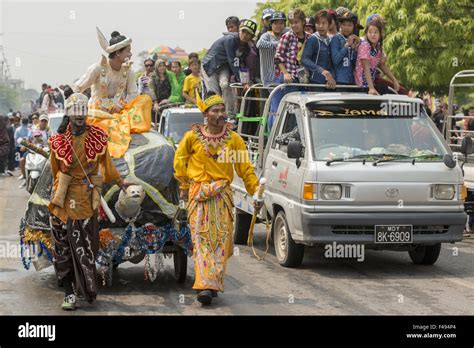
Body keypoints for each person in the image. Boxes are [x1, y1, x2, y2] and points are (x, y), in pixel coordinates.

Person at [174, 92, 262, 305]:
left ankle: (212, 282)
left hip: (222, 198)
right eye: (216, 110)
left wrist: (256, 192)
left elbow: (245, 170)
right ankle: (205, 285)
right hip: (199, 197)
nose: (221, 114)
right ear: (206, 114)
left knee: (221, 241)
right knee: (202, 240)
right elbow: (180, 163)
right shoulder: (192, 137)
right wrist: (184, 187)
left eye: (223, 110)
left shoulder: (234, 140)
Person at [48, 93, 128, 310]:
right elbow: (55, 172)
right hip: (63, 201)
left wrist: (122, 183)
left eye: (82, 111)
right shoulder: (57, 141)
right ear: (69, 114)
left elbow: (108, 166)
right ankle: (68, 294)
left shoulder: (98, 137)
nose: (79, 116)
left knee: (88, 246)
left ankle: (84, 288)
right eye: (75, 112)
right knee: (63, 248)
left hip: (87, 199)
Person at [72, 29, 152, 158]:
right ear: (118, 52)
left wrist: (120, 105)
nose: (131, 54)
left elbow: (133, 94)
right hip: (97, 111)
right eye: (128, 51)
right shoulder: (97, 68)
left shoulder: (129, 72)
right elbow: (78, 88)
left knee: (145, 99)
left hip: (118, 111)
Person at [201, 19, 258, 115]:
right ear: (239, 30)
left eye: (248, 33)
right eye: (243, 31)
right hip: (210, 65)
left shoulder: (246, 49)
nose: (245, 35)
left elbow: (241, 65)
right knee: (214, 93)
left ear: (251, 36)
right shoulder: (230, 39)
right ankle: (213, 117)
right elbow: (233, 61)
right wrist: (243, 82)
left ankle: (228, 114)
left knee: (225, 85)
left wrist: (246, 81)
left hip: (224, 66)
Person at [271, 9, 310, 130]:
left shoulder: (310, 38)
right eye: (291, 22)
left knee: (301, 108)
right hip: (289, 77)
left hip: (303, 78)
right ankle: (280, 136)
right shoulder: (287, 36)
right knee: (286, 109)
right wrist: (285, 73)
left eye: (296, 22)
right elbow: (277, 58)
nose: (294, 25)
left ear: (303, 22)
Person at [354, 19, 399, 95]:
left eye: (376, 32)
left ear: (381, 34)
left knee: (392, 92)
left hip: (371, 84)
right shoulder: (364, 45)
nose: (372, 35)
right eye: (370, 32)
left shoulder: (378, 47)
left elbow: (382, 65)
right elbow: (366, 67)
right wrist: (371, 88)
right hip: (362, 86)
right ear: (366, 33)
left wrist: (394, 80)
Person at [302, 10, 337, 89]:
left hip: (328, 83)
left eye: (324, 23)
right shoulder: (313, 39)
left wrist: (332, 77)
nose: (320, 26)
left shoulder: (331, 40)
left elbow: (332, 62)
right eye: (318, 23)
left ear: (329, 24)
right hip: (314, 82)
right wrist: (322, 71)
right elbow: (304, 59)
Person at [257, 12, 287, 87]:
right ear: (271, 24)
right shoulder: (266, 35)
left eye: (281, 23)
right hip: (269, 77)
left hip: (282, 77)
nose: (278, 26)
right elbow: (259, 44)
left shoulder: (285, 36)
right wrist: (279, 44)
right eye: (276, 23)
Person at [330, 10, 360, 85]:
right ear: (340, 25)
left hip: (352, 80)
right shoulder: (336, 38)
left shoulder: (354, 39)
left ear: (354, 27)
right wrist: (347, 45)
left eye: (350, 25)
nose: (346, 27)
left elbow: (355, 63)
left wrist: (355, 49)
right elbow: (336, 60)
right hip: (339, 80)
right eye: (344, 24)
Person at [14, 118, 31, 185]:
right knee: (24, 159)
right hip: (25, 146)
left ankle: (22, 172)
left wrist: (18, 145)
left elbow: (15, 138)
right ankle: (23, 172)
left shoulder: (18, 129)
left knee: (21, 159)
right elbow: (28, 138)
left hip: (19, 146)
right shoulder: (28, 129)